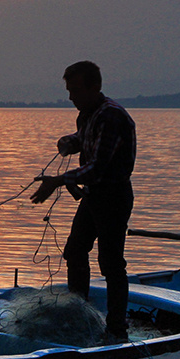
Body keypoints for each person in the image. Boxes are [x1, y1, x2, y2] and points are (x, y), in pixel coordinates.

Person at [30, 61, 137, 341]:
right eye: (69, 91)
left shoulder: (111, 116)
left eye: (75, 90)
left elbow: (98, 167)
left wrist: (58, 180)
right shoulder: (88, 114)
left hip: (113, 197)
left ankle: (116, 329)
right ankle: (79, 316)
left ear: (95, 87)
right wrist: (69, 142)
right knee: (75, 251)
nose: (71, 97)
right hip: (93, 197)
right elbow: (84, 138)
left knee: (111, 263)